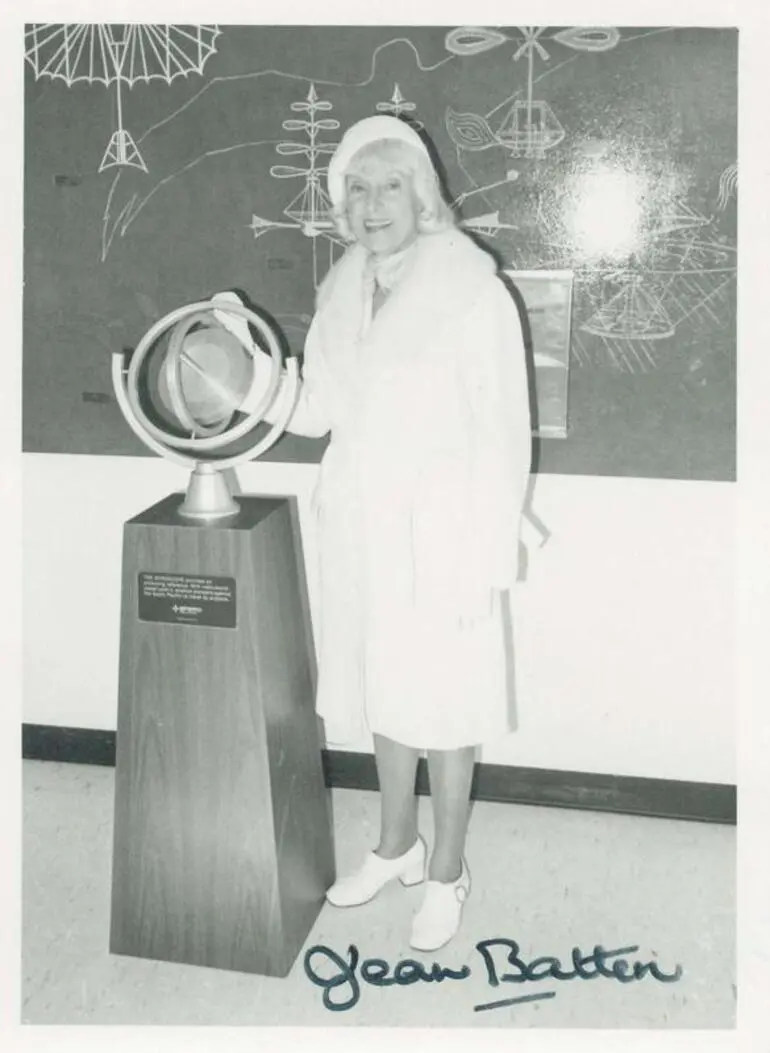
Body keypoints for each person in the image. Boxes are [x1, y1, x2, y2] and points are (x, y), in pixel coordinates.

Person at [216, 114, 532, 952]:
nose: (372, 201)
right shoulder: (342, 289)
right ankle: (397, 845)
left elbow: (506, 432)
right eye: (356, 186)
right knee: (385, 689)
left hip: (447, 529)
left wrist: (488, 552)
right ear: (340, 203)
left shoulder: (473, 289)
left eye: (390, 183)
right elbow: (319, 408)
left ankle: (447, 870)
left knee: (449, 705)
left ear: (423, 193)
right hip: (361, 521)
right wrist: (243, 378)